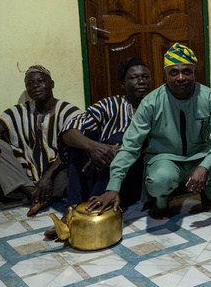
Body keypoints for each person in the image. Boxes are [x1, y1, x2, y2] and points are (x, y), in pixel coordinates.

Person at [87, 43, 211, 219]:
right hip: (165, 159)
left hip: (200, 156)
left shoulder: (209, 97)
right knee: (160, 179)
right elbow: (130, 145)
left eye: (187, 71)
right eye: (174, 72)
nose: (181, 77)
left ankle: (206, 193)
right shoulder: (151, 102)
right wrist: (113, 186)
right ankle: (161, 202)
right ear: (165, 75)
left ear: (195, 73)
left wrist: (204, 166)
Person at [0, 65, 81, 216]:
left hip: (56, 175)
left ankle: (14, 194)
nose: (35, 86)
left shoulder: (69, 112)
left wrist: (48, 176)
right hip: (24, 176)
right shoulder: (17, 112)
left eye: (40, 81)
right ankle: (32, 193)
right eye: (30, 83)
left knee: (73, 165)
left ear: (51, 84)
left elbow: (72, 148)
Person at [60, 57, 152, 211]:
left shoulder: (158, 105)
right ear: (122, 84)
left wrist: (120, 151)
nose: (141, 81)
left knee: (118, 140)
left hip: (137, 173)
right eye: (133, 78)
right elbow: (69, 130)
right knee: (81, 142)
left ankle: (92, 208)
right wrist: (95, 148)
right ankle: (73, 207)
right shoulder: (109, 105)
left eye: (145, 77)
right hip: (102, 170)